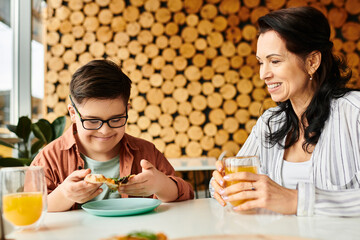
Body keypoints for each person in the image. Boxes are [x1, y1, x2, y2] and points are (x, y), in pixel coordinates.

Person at [211, 6, 360, 216]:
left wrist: (296, 200)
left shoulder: (355, 113)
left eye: (275, 61)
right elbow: (230, 181)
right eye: (260, 63)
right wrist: (220, 185)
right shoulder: (270, 122)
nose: (264, 74)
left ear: (312, 62)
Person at [32, 59, 194, 212]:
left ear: (127, 110)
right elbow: (31, 207)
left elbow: (186, 194)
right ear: (73, 113)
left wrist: (160, 184)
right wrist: (63, 195)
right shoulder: (49, 158)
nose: (104, 130)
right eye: (93, 121)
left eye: (116, 119)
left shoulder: (146, 152)